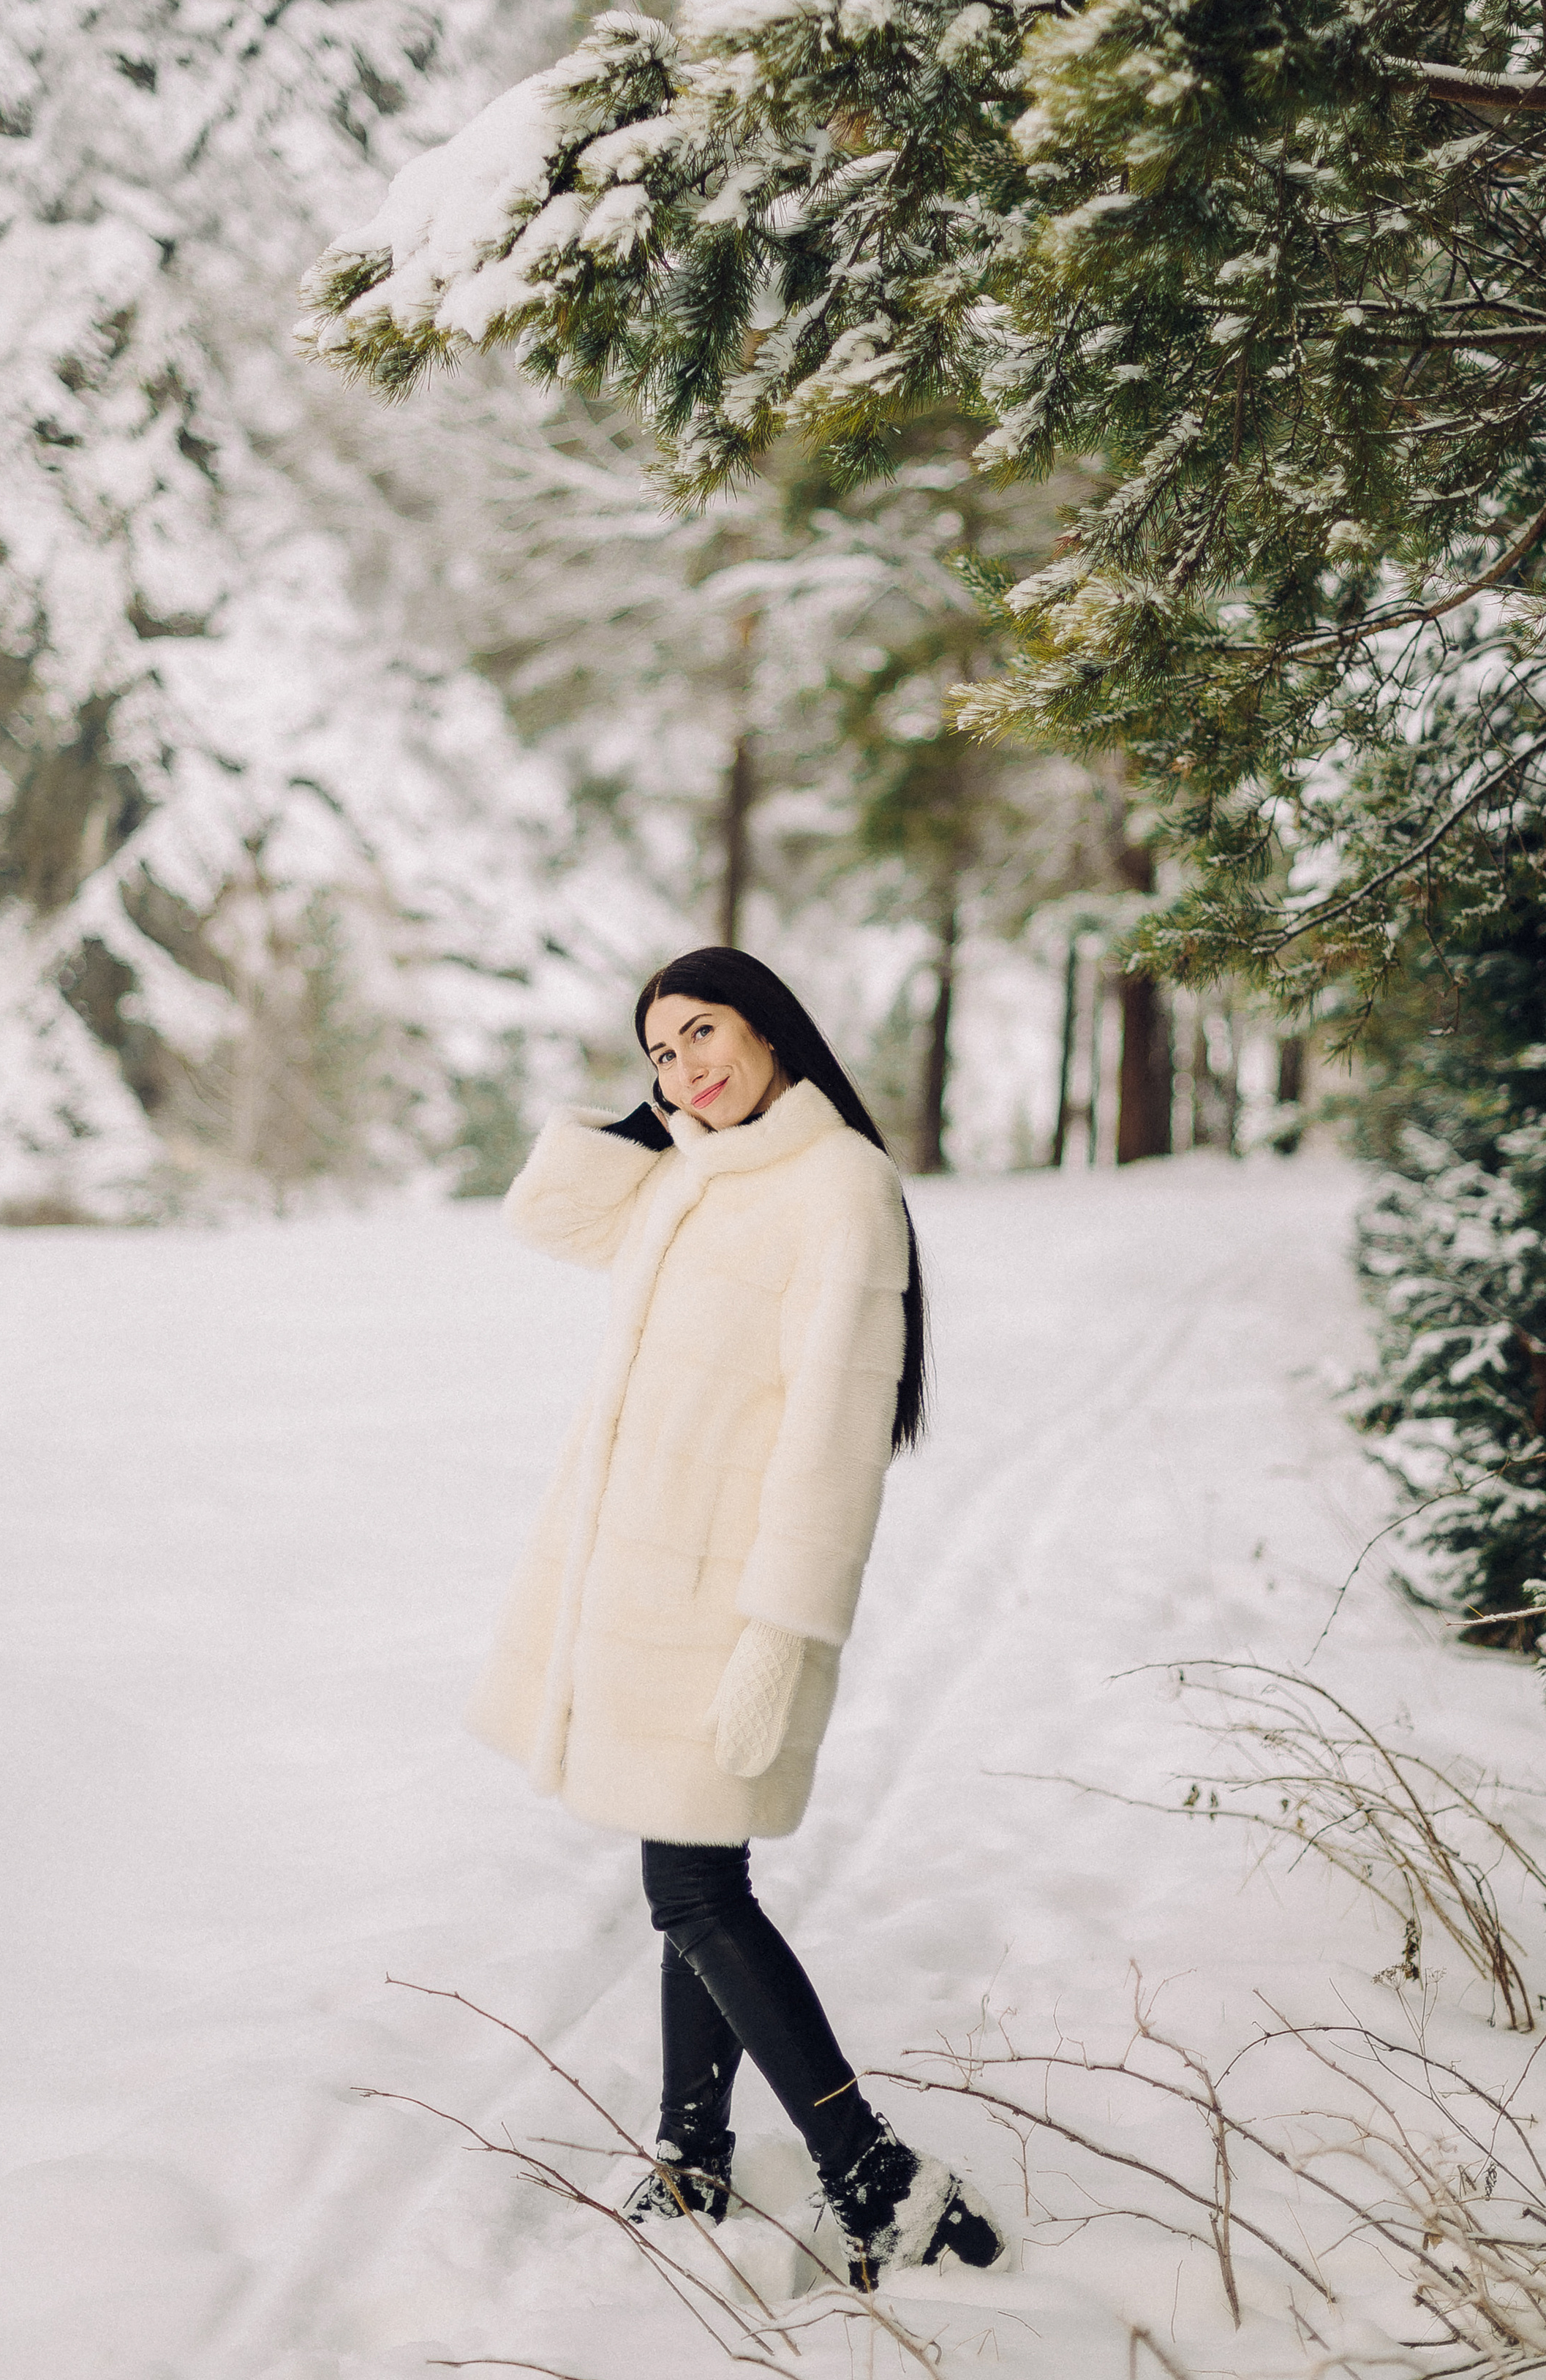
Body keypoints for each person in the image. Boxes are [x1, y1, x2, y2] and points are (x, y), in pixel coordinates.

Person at [469, 946, 1005, 2292]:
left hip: (727, 1599)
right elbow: (547, 1220)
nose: (684, 1067)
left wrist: (782, 1633)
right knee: (691, 1876)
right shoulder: (693, 1174)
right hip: (637, 1591)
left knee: (691, 1888)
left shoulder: (840, 1189)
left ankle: (878, 2178)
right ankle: (693, 2148)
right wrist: (663, 1119)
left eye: (705, 1035)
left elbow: (833, 1440)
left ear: (774, 1029)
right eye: (658, 1051)